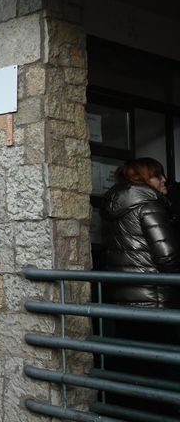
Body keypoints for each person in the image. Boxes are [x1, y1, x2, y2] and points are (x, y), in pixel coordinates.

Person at [99, 157, 180, 415]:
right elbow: (167, 257)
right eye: (158, 175)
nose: (164, 180)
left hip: (122, 300)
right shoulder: (149, 205)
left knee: (132, 363)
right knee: (162, 366)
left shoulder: (114, 206)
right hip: (155, 298)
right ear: (145, 180)